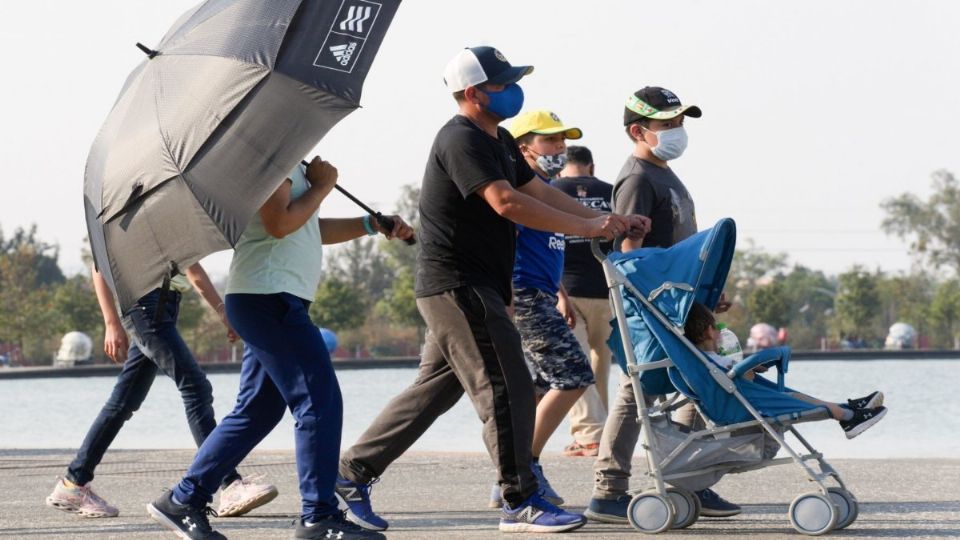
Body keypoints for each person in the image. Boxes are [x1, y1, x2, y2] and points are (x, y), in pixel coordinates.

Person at [334, 46, 649, 535]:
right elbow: (507, 203)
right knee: (507, 386)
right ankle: (519, 499)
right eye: (503, 84)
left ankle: (349, 476)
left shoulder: (498, 138)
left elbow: (539, 193)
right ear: (474, 93)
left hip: (473, 285)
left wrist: (608, 220)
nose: (513, 90)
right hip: (458, 283)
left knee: (434, 392)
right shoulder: (461, 139)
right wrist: (589, 230)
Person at [146, 158, 413, 540]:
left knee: (257, 410)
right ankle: (318, 517)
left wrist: (369, 224)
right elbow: (278, 224)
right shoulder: (273, 160)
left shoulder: (294, 163)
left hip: (270, 297)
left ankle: (183, 500)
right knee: (319, 402)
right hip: (269, 298)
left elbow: (305, 229)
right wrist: (323, 186)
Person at [587, 85, 744, 523]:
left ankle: (689, 477)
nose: (677, 132)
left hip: (682, 304)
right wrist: (644, 304)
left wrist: (704, 294)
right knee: (636, 392)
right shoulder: (638, 178)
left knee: (696, 383)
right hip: (652, 308)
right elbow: (627, 251)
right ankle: (609, 488)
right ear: (639, 130)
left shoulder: (664, 174)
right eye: (667, 125)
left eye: (680, 123)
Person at [46, 264, 277, 520]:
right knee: (196, 389)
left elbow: (192, 267)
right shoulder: (122, 222)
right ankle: (229, 484)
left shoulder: (171, 225)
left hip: (163, 306)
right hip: (145, 308)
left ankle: (73, 483)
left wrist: (222, 311)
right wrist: (111, 323)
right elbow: (100, 265)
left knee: (123, 401)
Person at [482, 110, 595, 508]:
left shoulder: (545, 189)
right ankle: (523, 467)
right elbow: (505, 243)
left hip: (544, 294)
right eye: (550, 140)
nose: (559, 148)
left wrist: (561, 294)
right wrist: (510, 298)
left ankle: (509, 475)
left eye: (562, 141)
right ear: (522, 146)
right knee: (573, 375)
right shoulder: (518, 189)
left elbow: (546, 250)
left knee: (539, 387)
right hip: (524, 294)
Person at [685, 303, 887, 438]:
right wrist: (749, 367)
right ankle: (849, 416)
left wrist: (748, 368)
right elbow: (742, 376)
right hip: (751, 407)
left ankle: (849, 409)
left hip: (748, 402)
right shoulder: (715, 362)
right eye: (717, 326)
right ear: (711, 331)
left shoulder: (703, 362)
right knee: (795, 398)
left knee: (793, 396)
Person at [553, 145, 615, 458]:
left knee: (575, 364)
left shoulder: (551, 190)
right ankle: (603, 433)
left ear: (562, 167)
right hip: (607, 291)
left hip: (567, 291)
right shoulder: (611, 192)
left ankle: (590, 434)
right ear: (591, 166)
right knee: (600, 364)